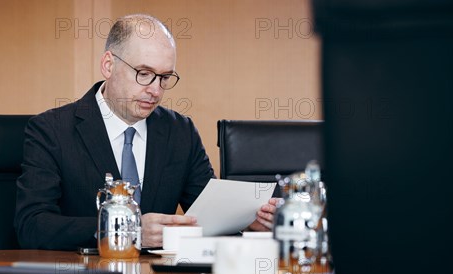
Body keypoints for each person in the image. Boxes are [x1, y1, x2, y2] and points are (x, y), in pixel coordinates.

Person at [15, 14, 278, 251]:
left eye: (164, 78)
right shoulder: (51, 130)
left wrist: (247, 220)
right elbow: (32, 226)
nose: (155, 90)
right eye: (144, 73)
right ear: (108, 65)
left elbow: (206, 216)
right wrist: (128, 231)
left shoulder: (179, 131)